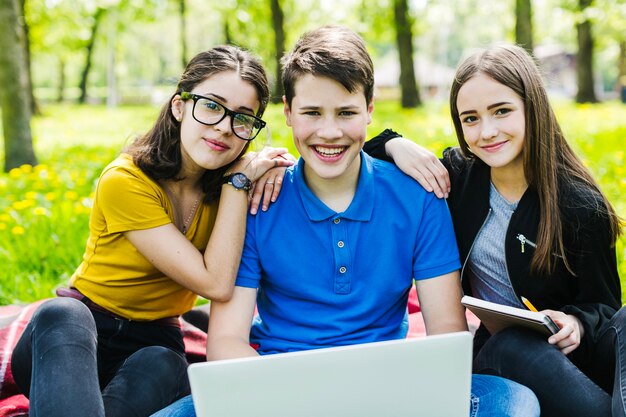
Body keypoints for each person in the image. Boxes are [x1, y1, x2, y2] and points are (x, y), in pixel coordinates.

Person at [152, 26, 539, 417]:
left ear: (370, 110)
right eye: (312, 113)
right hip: (279, 392)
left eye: (346, 113)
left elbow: (446, 334)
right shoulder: (256, 202)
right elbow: (226, 342)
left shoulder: (419, 196)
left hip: (391, 389)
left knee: (513, 402)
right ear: (287, 112)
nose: (330, 132)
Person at [10, 45, 293, 417]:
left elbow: (330, 161)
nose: (225, 127)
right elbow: (215, 284)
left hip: (154, 343)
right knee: (62, 313)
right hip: (75, 339)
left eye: (243, 118)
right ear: (179, 106)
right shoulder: (125, 180)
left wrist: (389, 143)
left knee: (165, 360)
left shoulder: (233, 189)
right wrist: (238, 180)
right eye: (211, 106)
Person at [364, 44, 625, 417]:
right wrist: (395, 144)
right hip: (505, 355)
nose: (486, 132)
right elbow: (358, 155)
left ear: (531, 109)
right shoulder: (456, 179)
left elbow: (604, 307)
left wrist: (577, 322)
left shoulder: (579, 204)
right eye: (470, 119)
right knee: (512, 343)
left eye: (501, 111)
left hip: (574, 356)